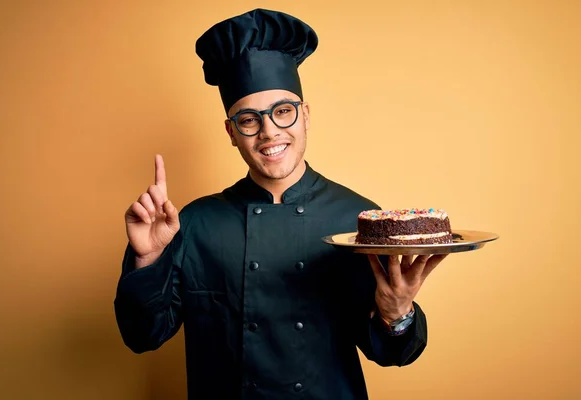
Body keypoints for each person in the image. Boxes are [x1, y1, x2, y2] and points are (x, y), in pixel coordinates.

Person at [114, 8, 447, 400]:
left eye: (283, 111)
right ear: (231, 132)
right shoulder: (193, 222)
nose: (270, 131)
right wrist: (147, 261)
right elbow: (142, 337)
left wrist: (397, 314)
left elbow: (393, 355)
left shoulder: (357, 218)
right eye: (249, 119)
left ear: (305, 115)